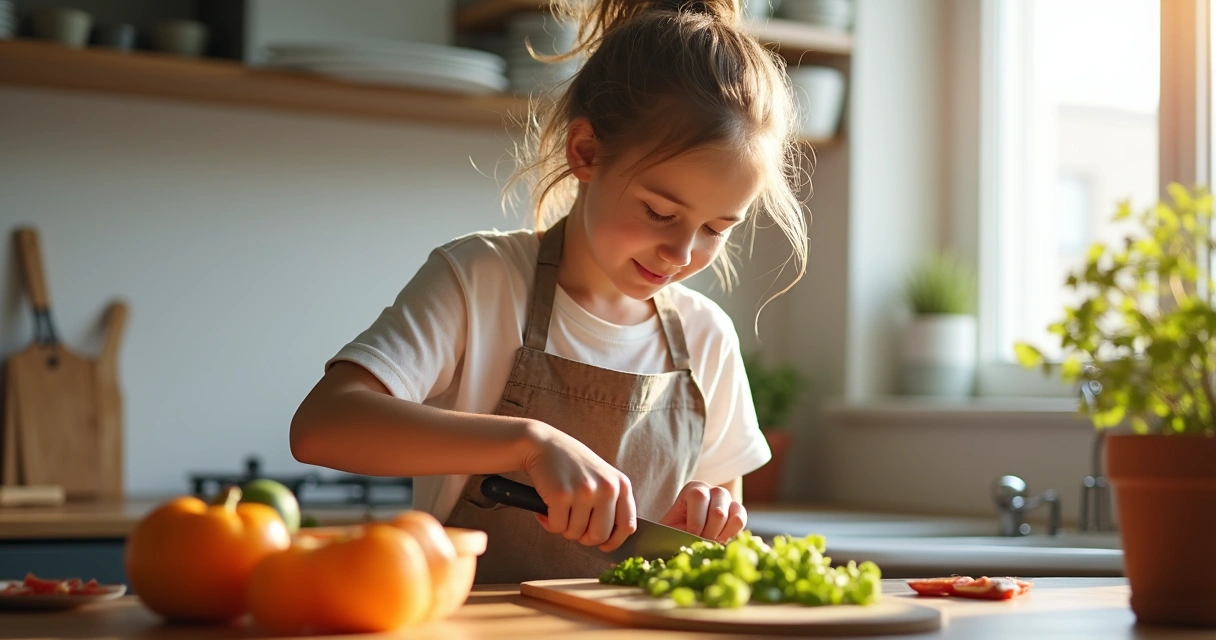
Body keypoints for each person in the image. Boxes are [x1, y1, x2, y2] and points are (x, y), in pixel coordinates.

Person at [290, 0, 809, 584]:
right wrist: (528, 443)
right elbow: (320, 427)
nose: (682, 253)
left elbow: (718, 533)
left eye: (716, 228)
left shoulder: (706, 337)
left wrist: (706, 520)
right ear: (585, 151)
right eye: (660, 212)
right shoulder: (480, 280)